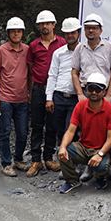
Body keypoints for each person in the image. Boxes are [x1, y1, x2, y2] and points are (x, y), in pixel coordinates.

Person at [58, 72, 111, 193]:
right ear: (86, 89)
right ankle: (72, 181)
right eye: (91, 88)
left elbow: (110, 138)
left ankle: (100, 178)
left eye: (98, 89)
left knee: (101, 166)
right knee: (62, 152)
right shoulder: (80, 106)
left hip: (101, 149)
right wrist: (62, 147)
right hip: (83, 146)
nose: (94, 92)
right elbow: (70, 131)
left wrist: (100, 154)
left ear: (104, 91)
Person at [26, 10, 66, 177]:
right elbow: (30, 69)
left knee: (52, 125)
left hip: (56, 90)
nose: (44, 26)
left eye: (47, 23)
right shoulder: (34, 46)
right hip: (38, 89)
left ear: (54, 25)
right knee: (36, 125)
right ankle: (36, 160)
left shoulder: (63, 43)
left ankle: (48, 158)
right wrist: (30, 92)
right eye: (42, 23)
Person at [0, 16, 31, 177]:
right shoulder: (0, 51)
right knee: (5, 132)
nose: (16, 34)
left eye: (19, 31)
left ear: (22, 33)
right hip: (5, 99)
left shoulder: (27, 50)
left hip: (22, 99)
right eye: (13, 31)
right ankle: (6, 164)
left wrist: (30, 94)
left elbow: (30, 74)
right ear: (8, 33)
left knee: (22, 132)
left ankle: (18, 159)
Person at [45, 17, 81, 145]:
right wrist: (49, 98)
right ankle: (64, 158)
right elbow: (52, 75)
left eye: (73, 32)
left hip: (75, 98)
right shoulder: (58, 53)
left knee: (70, 129)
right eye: (67, 33)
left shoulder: (85, 52)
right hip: (58, 96)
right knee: (58, 129)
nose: (70, 36)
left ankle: (70, 160)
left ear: (79, 33)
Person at [71, 13, 111, 103]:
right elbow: (74, 73)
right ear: (84, 30)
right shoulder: (79, 48)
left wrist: (109, 95)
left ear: (100, 30)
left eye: (95, 28)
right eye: (88, 28)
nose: (91, 30)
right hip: (86, 92)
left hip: (103, 92)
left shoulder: (110, 47)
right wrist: (80, 94)